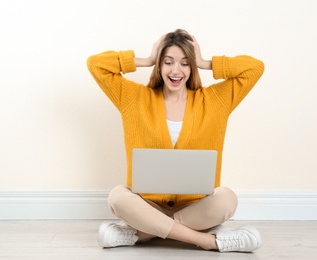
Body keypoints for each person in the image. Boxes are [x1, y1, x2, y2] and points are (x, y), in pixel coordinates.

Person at [87, 29, 264, 253]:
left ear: (192, 67)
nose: (176, 70)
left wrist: (205, 62)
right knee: (117, 196)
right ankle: (209, 241)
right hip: (147, 205)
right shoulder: (134, 99)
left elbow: (254, 68)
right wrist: (147, 59)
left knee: (227, 198)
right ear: (159, 66)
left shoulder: (215, 101)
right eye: (168, 62)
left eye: (185, 63)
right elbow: (96, 64)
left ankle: (141, 234)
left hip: (195, 207)